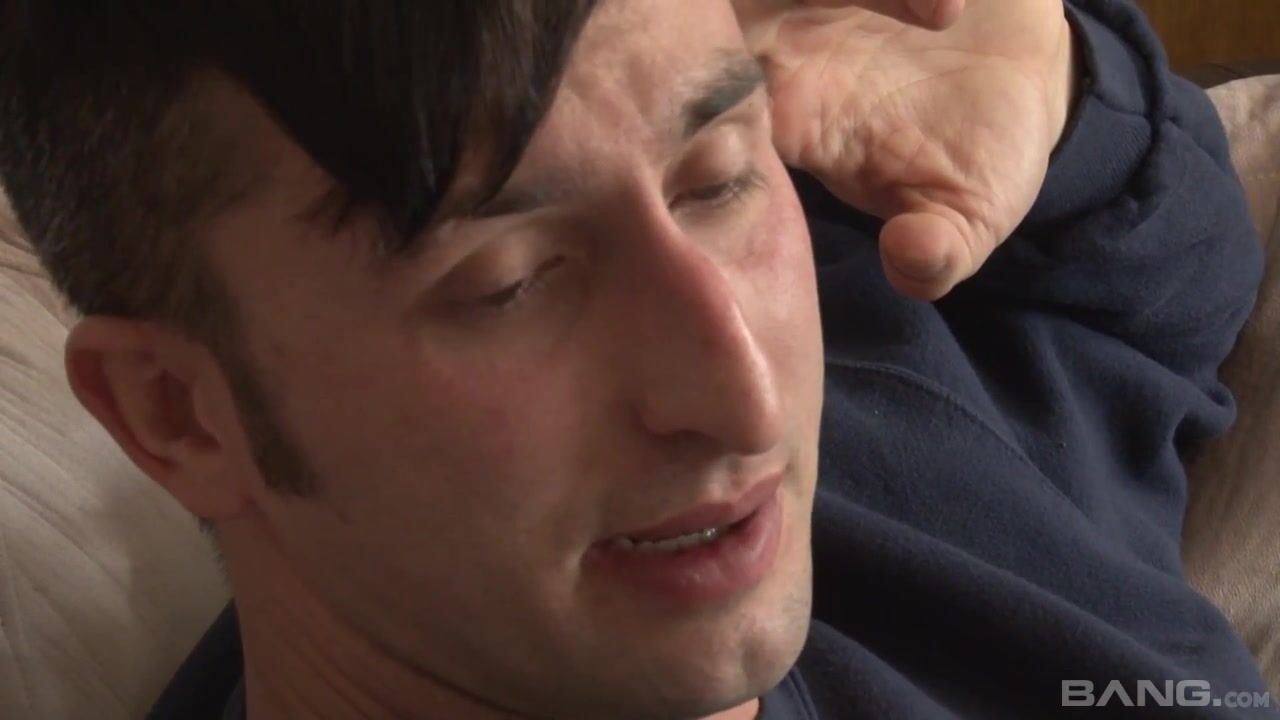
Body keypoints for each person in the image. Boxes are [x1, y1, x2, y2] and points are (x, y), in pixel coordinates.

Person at [0, 0, 1273, 717]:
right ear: (175, 414)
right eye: (508, 284)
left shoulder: (901, 384)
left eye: (715, 179)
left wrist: (1067, 100)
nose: (746, 394)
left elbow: (1151, 292)